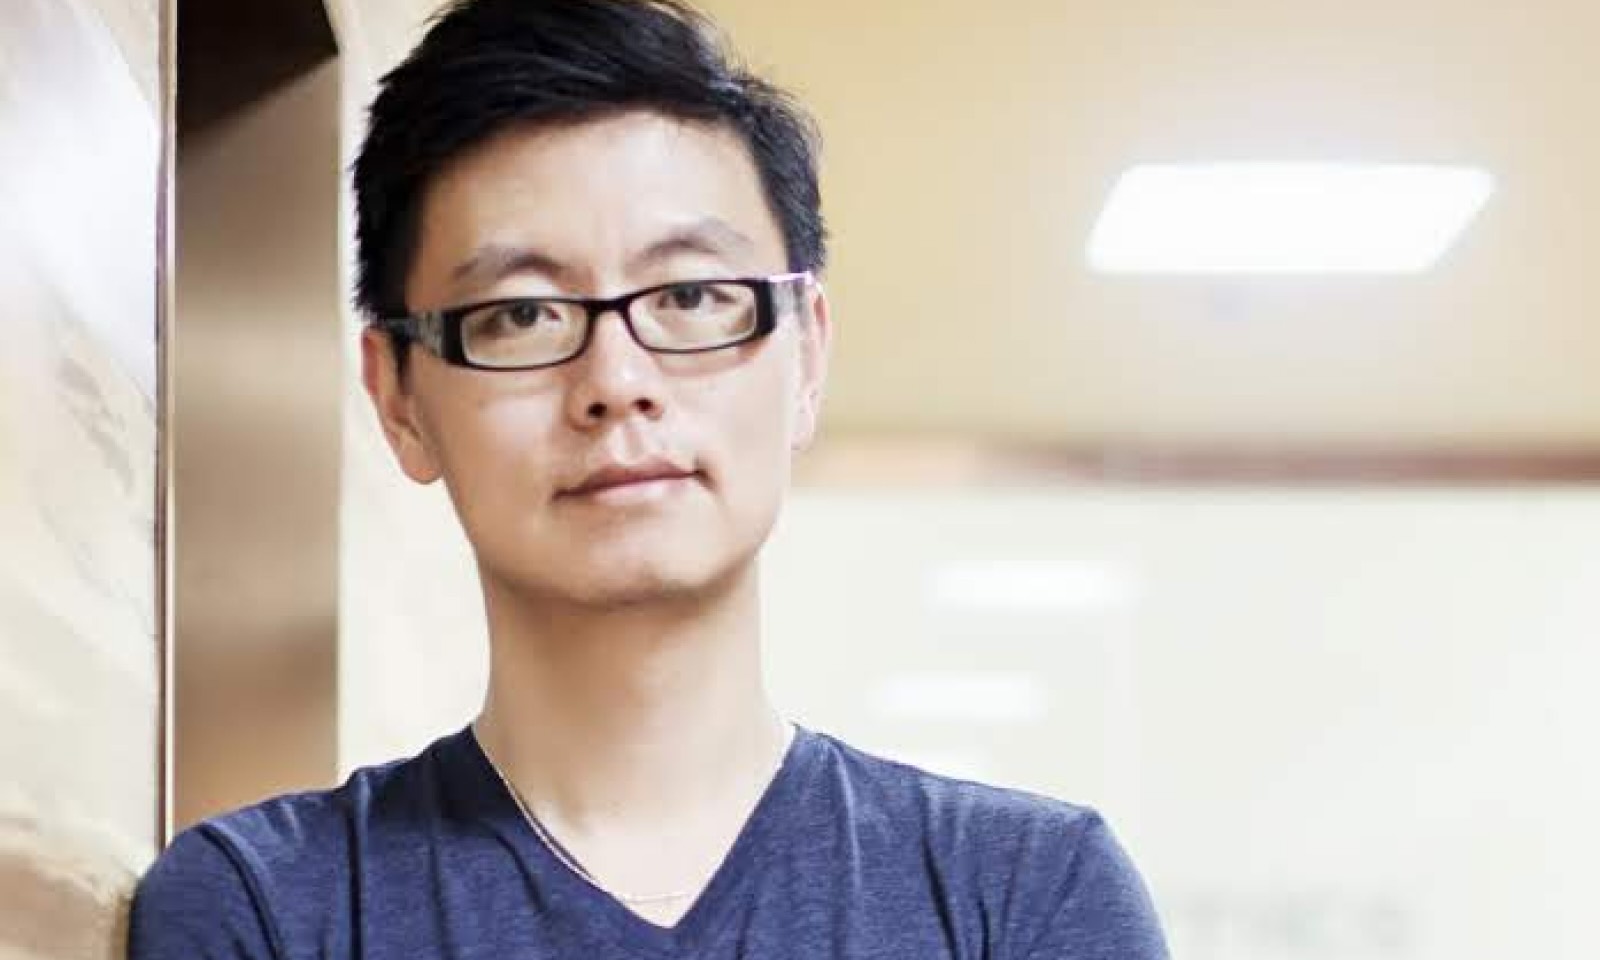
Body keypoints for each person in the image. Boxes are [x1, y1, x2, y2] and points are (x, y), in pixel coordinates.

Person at [128, 0, 1170, 956]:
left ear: (806, 355)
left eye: (691, 297)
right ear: (398, 395)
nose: (616, 383)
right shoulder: (267, 907)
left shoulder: (1025, 896)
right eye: (522, 314)